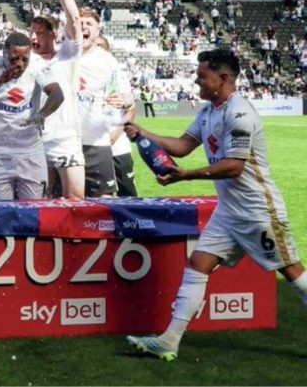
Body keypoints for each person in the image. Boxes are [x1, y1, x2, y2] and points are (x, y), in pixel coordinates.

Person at [125, 48, 307, 361]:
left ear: (223, 78)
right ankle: (170, 340)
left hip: (258, 211)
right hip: (229, 212)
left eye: (201, 76)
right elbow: (183, 146)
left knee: (293, 273)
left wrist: (186, 177)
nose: (196, 82)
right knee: (198, 264)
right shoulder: (209, 111)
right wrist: (144, 133)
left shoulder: (239, 113)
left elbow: (234, 166)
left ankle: (170, 339)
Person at [0, 32, 63, 201]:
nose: (20, 64)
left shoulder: (37, 64)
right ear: (4, 53)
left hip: (30, 151)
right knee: (1, 214)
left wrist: (42, 114)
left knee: (34, 212)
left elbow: (57, 94)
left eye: (24, 60)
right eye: (14, 59)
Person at [32, 0, 85, 199]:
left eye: (40, 32)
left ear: (54, 35)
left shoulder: (67, 54)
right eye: (31, 32)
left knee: (75, 199)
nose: (33, 37)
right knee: (38, 202)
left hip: (65, 138)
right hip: (33, 140)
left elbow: (74, 18)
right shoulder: (25, 62)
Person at [76, 8, 133, 197]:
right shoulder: (63, 55)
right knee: (67, 200)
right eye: (80, 23)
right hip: (67, 142)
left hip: (97, 143)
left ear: (98, 29)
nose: (84, 27)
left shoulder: (108, 61)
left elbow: (128, 99)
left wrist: (123, 100)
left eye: (89, 24)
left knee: (103, 200)